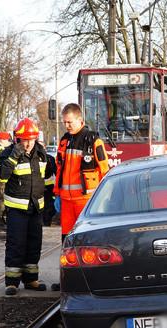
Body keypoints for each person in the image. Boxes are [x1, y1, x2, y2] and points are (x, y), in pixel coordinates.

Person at [0, 118, 55, 296]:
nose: (27, 144)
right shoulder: (8, 154)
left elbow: (49, 180)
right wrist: (13, 158)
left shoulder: (42, 154)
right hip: (16, 210)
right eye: (24, 140)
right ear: (17, 139)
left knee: (34, 245)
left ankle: (31, 280)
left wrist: (49, 206)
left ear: (36, 138)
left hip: (36, 209)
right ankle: (11, 282)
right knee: (16, 245)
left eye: (30, 139)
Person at [52, 103, 110, 291]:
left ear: (80, 120)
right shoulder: (64, 141)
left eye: (70, 122)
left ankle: (91, 281)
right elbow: (60, 170)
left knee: (88, 243)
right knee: (67, 243)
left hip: (86, 202)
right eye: (65, 122)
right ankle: (68, 280)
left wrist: (104, 200)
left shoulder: (93, 141)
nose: (67, 126)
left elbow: (104, 171)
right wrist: (57, 194)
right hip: (67, 203)